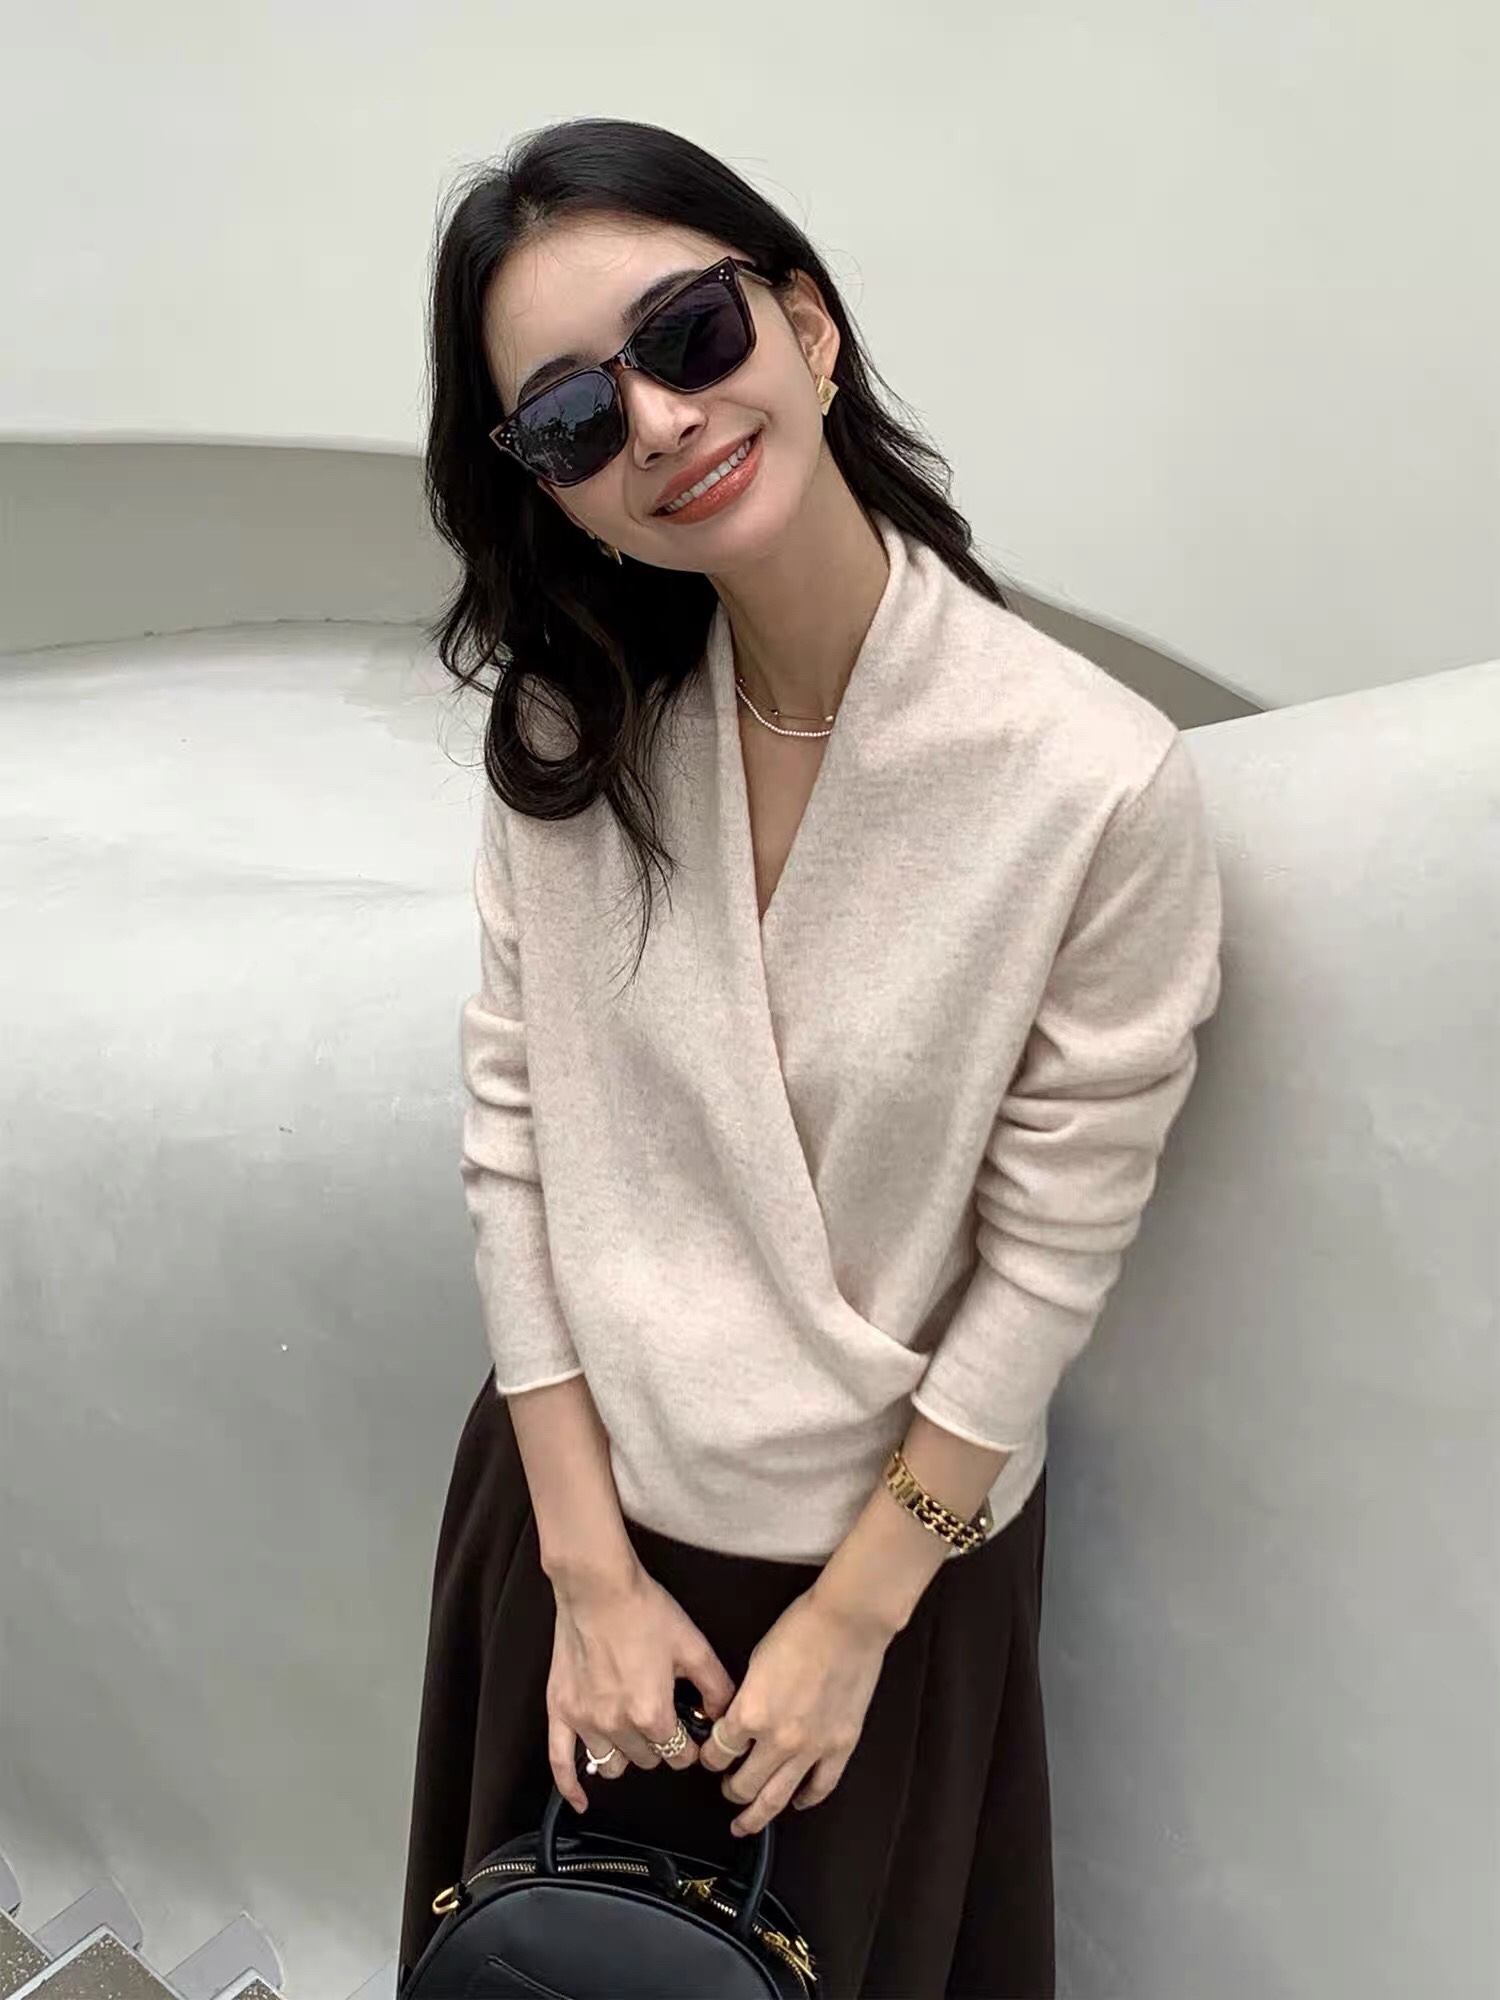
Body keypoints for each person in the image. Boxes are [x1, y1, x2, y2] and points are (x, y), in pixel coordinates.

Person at [398, 116, 1223, 1999]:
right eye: (569, 419)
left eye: (686, 333)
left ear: (809, 327)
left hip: (877, 1583)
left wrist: (856, 1620)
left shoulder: (1090, 784)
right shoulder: (573, 737)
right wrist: (585, 1570)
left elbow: (1050, 1253)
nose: (656, 421)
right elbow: (514, 1137)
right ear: (554, 491)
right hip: (570, 1538)